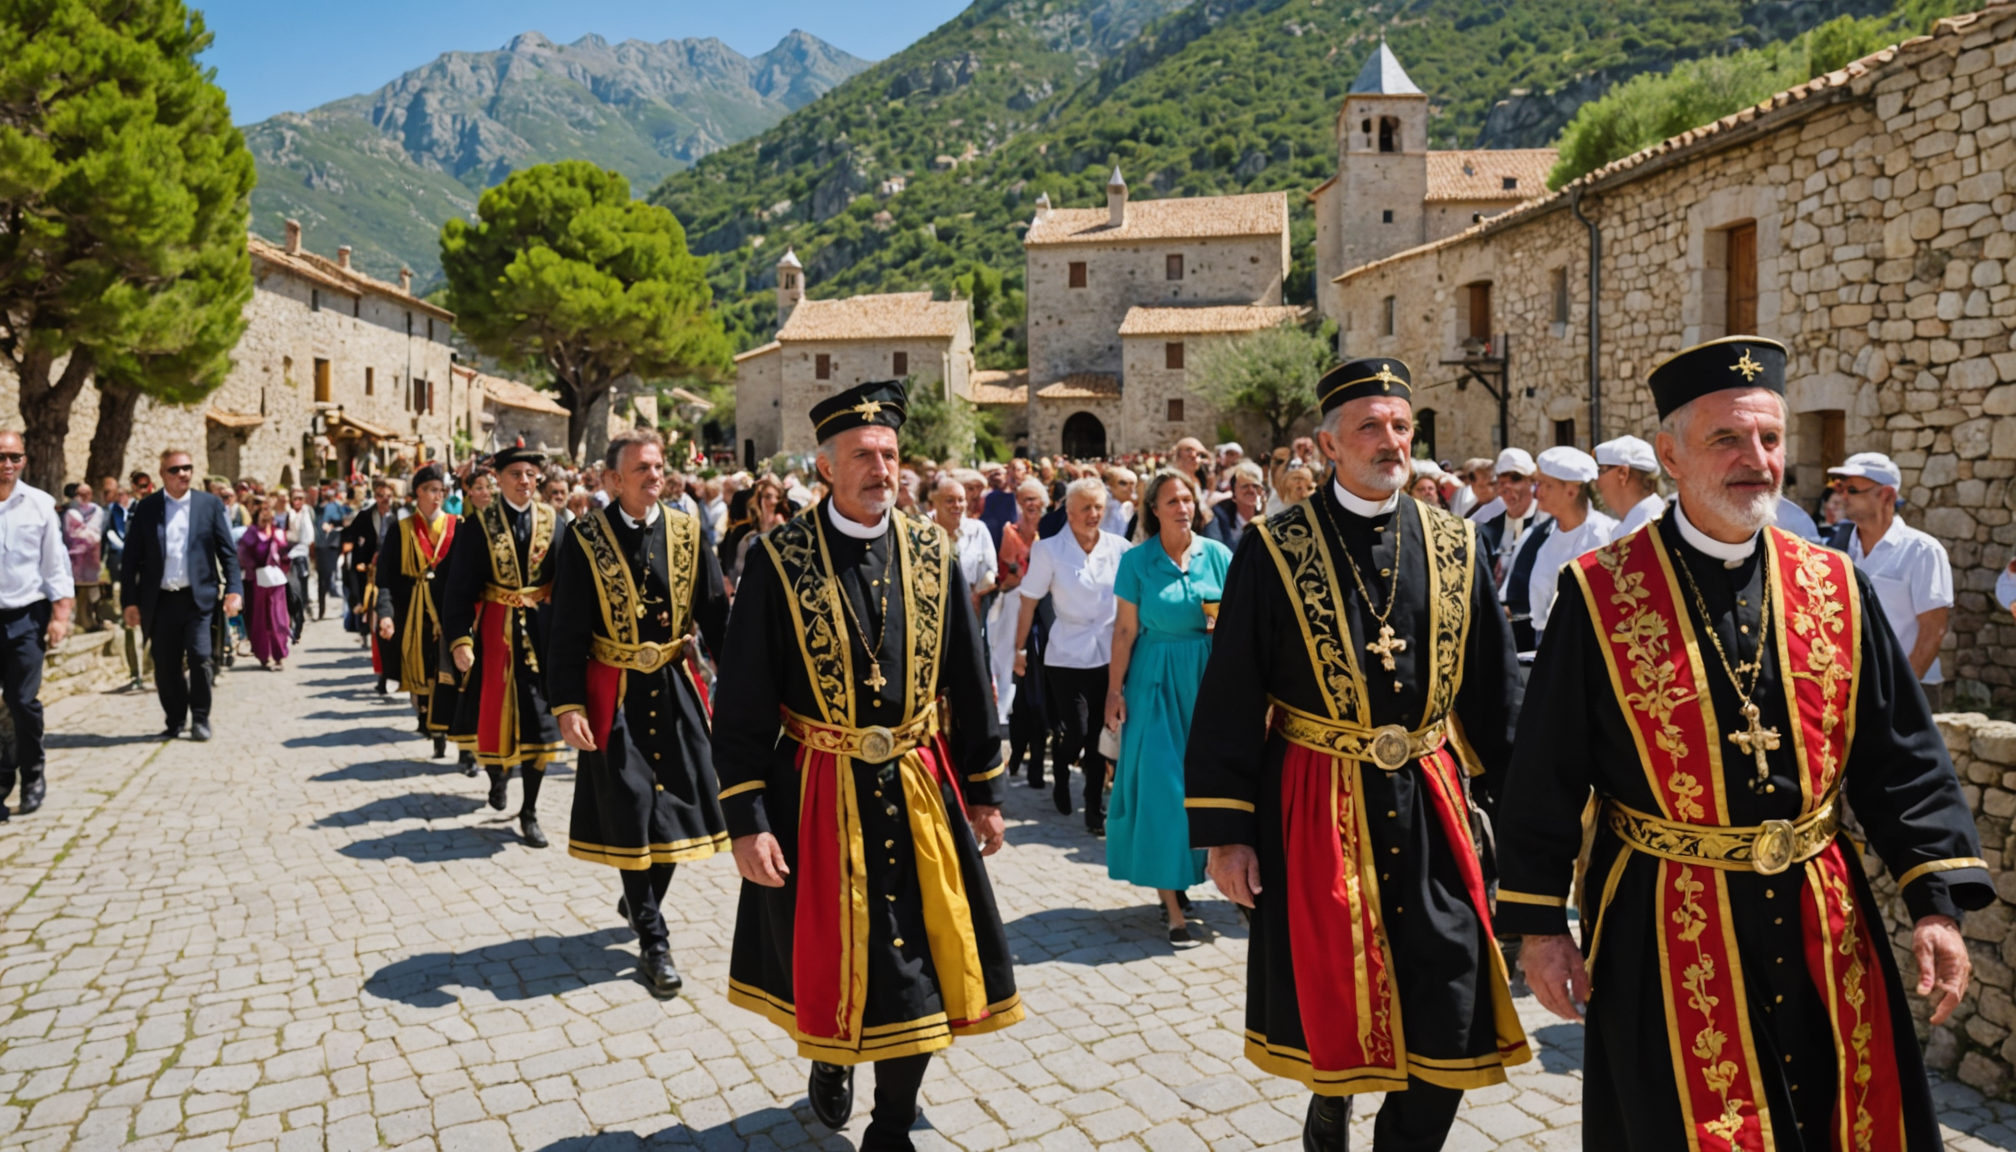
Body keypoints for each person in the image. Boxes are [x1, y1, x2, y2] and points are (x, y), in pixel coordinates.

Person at [1497, 336, 1986, 1147]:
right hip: (1665, 921)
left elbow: (1898, 756)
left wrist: (1933, 902)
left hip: (1822, 915)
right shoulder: (1602, 594)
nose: (1754, 459)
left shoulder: (1835, 585)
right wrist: (1542, 929)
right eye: (1725, 438)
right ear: (1670, 455)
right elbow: (1545, 774)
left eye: (1769, 438)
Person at [1185, 358, 1527, 1150]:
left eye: (1401, 427)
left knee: (1452, 1005)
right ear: (1327, 446)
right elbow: (1232, 693)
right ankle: (1335, 1093)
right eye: (1370, 427)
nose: (1390, 442)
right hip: (1317, 800)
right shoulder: (1274, 549)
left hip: (1435, 807)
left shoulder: (1455, 546)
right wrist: (1226, 833)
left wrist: (1525, 832)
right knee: (1340, 988)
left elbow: (1495, 698)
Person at [713, 381, 1019, 1149]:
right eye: (862, 455)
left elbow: (968, 673)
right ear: (826, 468)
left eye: (888, 453)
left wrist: (983, 789)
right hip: (815, 790)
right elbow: (743, 698)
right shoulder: (779, 561)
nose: (881, 467)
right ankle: (831, 1055)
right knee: (833, 954)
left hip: (917, 785)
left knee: (918, 952)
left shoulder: (930, 550)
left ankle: (890, 1125)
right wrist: (746, 820)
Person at [550, 430, 730, 992]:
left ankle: (642, 901)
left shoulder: (687, 529)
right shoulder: (583, 538)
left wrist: (743, 684)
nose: (656, 475)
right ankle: (654, 941)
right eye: (643, 468)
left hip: (676, 685)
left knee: (679, 807)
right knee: (628, 807)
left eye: (659, 466)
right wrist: (567, 704)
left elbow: (715, 612)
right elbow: (567, 630)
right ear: (612, 480)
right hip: (614, 690)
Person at [1104, 470, 1226, 943]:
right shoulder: (1136, 562)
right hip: (1153, 681)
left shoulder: (1218, 556)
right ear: (1153, 508)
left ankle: (1194, 877)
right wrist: (1115, 692)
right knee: (1162, 789)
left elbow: (1239, 620)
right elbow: (1124, 632)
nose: (1183, 507)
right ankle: (1173, 907)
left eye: (1188, 499)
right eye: (1172, 500)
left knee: (1205, 788)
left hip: (1207, 682)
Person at [442, 448, 567, 845]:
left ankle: (529, 810)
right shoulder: (479, 525)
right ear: (500, 478)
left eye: (531, 473)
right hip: (496, 634)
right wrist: (460, 640)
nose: (525, 481)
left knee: (541, 724)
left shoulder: (555, 522)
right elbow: (458, 589)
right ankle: (498, 778)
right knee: (493, 717)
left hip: (543, 635)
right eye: (516, 473)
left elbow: (569, 583)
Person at [1014, 477, 1126, 833]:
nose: (1093, 515)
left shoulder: (1120, 548)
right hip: (1065, 656)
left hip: (1109, 655)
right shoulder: (1049, 550)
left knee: (1098, 735)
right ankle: (1061, 767)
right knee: (1076, 732)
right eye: (1086, 508)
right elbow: (1028, 602)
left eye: (1098, 508)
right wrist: (1018, 649)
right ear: (1069, 511)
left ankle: (1094, 810)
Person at [121, 448, 242, 742]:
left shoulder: (209, 505)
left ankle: (200, 718)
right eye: (175, 470)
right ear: (163, 475)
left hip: (197, 599)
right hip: (160, 601)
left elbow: (228, 553)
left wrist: (235, 591)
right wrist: (129, 602)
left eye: (187, 468)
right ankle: (175, 719)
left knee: (201, 657)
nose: (183, 474)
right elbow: (130, 559)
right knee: (166, 666)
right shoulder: (147, 508)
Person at [1830, 451, 1956, 695]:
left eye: (1853, 490)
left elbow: (1933, 628)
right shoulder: (1836, 548)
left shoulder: (1922, 551)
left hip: (1907, 687)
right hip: (1849, 688)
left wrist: (1903, 690)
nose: (1843, 496)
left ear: (1887, 495)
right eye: (1840, 487)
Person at [0, 433, 75, 819]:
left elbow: (55, 563)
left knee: (22, 701)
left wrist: (61, 615)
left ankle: (32, 776)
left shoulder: (40, 505)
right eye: (1, 456)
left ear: (24, 461)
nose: (7, 464)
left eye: (14, 456)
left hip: (27, 615)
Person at [373, 464, 460, 758]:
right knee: (419, 667)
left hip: (447, 609)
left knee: (446, 669)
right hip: (411, 612)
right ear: (418, 493)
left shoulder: (456, 526)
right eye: (432, 490)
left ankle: (442, 727)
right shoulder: (402, 530)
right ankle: (424, 716)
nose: (438, 497)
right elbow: (384, 578)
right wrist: (384, 613)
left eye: (441, 491)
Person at [1523, 447, 1617, 646]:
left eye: (1546, 485)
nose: (1537, 492)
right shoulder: (1547, 536)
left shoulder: (1604, 535)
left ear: (1571, 491)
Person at [999, 479, 1051, 781]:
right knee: (1022, 680)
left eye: (1036, 498)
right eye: (1025, 499)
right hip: (1018, 610)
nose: (1031, 504)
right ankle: (1021, 754)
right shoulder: (1011, 532)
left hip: (1047, 614)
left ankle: (1031, 755)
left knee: (1042, 683)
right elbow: (1009, 570)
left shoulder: (1052, 531)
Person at [237, 504, 292, 670]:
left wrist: (279, 565)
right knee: (260, 619)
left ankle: (279, 654)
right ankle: (263, 655)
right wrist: (253, 568)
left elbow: (286, 555)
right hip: (258, 582)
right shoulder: (251, 533)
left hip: (276, 582)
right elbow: (243, 554)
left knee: (278, 618)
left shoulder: (278, 533)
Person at [1592, 435, 1664, 536]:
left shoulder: (1648, 529)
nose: (1596, 482)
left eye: (1601, 471)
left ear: (1623, 474)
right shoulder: (1632, 526)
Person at [1205, 461, 1265, 552]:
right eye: (1245, 486)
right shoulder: (1218, 520)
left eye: (1256, 486)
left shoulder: (1271, 517)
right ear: (1233, 495)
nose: (1251, 490)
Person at [284, 488, 314, 642]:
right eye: (295, 498)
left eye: (301, 499)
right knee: (290, 592)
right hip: (287, 556)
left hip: (300, 556)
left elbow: (308, 537)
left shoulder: (307, 514)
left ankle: (298, 626)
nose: (298, 502)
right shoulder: (287, 514)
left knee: (301, 592)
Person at [314, 484, 346, 621]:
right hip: (320, 546)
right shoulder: (317, 509)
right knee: (322, 579)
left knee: (330, 575)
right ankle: (321, 608)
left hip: (333, 545)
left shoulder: (337, 507)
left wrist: (333, 525)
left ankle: (345, 607)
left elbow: (344, 521)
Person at [1101, 466, 1137, 539]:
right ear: (1110, 485)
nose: (1129, 488)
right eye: (1123, 483)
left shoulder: (1128, 506)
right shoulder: (1103, 504)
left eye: (1132, 484)